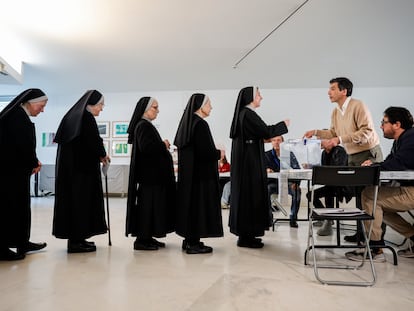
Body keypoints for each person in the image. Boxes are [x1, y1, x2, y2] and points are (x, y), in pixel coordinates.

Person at [304, 77, 383, 243]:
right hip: (352, 155)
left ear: (344, 91)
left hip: (368, 153)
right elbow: (333, 133)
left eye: (332, 88)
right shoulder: (335, 111)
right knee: (358, 195)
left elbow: (366, 131)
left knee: (369, 197)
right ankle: (361, 233)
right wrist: (316, 132)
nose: (328, 92)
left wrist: (338, 140)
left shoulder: (358, 105)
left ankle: (375, 240)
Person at [345, 107, 414, 262]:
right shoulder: (402, 140)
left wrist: (375, 166)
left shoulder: (410, 138)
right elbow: (391, 161)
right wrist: (376, 164)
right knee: (377, 203)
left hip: (411, 191)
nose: (381, 126)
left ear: (397, 124)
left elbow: (398, 163)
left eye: (384, 122)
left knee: (370, 196)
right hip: (408, 189)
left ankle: (375, 249)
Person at [229, 86, 289, 248]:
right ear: (251, 98)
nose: (261, 97)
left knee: (249, 198)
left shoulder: (244, 114)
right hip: (249, 164)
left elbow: (258, 135)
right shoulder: (248, 114)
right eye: (259, 95)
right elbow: (266, 131)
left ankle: (248, 235)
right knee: (250, 197)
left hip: (247, 162)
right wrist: (283, 125)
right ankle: (246, 237)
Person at [53, 90, 110, 253]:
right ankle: (76, 242)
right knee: (81, 204)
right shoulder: (86, 118)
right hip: (82, 173)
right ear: (91, 104)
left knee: (77, 205)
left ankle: (78, 239)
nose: (101, 109)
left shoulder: (75, 117)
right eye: (100, 105)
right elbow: (94, 142)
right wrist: (102, 154)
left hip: (74, 172)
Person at [0, 89, 48, 260]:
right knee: (8, 209)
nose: (42, 110)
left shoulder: (18, 115)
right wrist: (34, 162)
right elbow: (22, 145)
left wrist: (33, 161)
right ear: (32, 102)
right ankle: (2, 248)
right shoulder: (17, 117)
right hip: (9, 174)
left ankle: (22, 242)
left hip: (15, 173)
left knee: (20, 208)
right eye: (41, 106)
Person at [174, 93, 224, 254]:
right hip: (201, 177)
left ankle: (189, 239)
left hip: (189, 177)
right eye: (209, 103)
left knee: (191, 207)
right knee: (198, 209)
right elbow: (205, 153)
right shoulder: (200, 124)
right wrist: (219, 154)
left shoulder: (187, 124)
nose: (211, 107)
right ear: (200, 106)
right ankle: (193, 244)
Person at [125, 97, 176, 251]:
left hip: (153, 177)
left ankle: (148, 236)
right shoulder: (143, 126)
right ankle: (141, 240)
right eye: (155, 107)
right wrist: (163, 144)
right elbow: (147, 148)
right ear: (145, 109)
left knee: (153, 208)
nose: (158, 110)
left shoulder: (145, 125)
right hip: (149, 178)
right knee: (146, 209)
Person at [306, 145, 352, 236]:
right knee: (310, 195)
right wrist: (312, 166)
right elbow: (324, 168)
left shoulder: (339, 151)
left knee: (328, 192)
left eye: (322, 140)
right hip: (330, 184)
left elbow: (340, 169)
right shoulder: (324, 153)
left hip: (341, 185)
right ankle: (326, 218)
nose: (320, 143)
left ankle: (327, 219)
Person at [264, 136, 301, 228]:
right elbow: (261, 169)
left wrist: (296, 183)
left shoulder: (289, 154)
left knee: (297, 191)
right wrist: (266, 170)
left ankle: (293, 218)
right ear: (271, 142)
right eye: (274, 140)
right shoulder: (266, 155)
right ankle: (268, 218)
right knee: (266, 190)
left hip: (288, 183)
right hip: (273, 183)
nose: (276, 142)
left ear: (283, 142)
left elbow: (297, 170)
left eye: (279, 140)